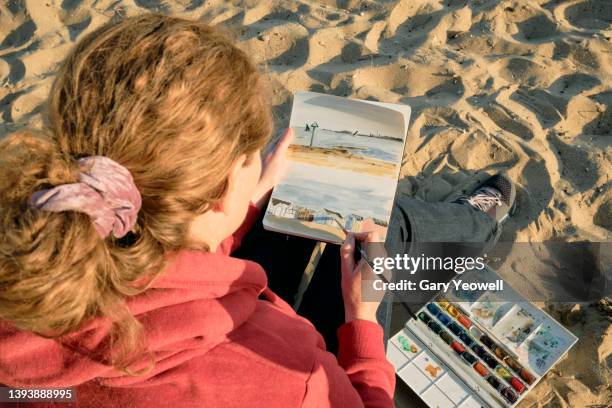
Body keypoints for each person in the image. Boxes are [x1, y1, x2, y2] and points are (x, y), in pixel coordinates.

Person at [0, 14, 516, 408]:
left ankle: (471, 221)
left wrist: (241, 206)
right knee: (390, 227)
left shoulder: (29, 265)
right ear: (219, 189)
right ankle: (479, 222)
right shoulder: (289, 374)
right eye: (252, 156)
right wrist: (361, 322)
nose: (261, 164)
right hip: (263, 343)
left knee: (293, 220)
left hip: (203, 268)